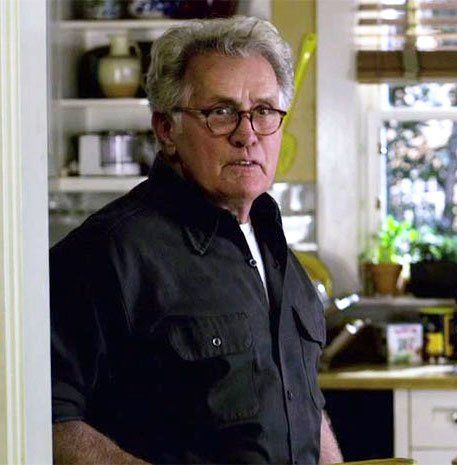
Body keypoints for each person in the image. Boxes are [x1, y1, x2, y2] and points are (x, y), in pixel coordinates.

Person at [51, 16, 343, 465]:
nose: (247, 134)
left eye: (264, 111)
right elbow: (45, 419)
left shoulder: (276, 250)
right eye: (220, 112)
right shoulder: (106, 252)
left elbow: (302, 404)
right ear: (167, 129)